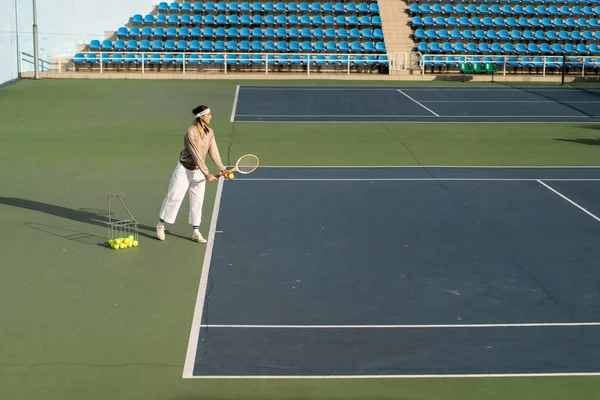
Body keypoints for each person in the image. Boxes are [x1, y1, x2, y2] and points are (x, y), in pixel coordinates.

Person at [156, 105, 230, 243]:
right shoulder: (190, 132)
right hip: (184, 169)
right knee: (174, 197)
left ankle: (195, 232)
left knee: (198, 201)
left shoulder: (210, 132)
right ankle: (161, 224)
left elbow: (213, 152)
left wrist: (222, 169)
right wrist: (207, 174)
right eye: (208, 114)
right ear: (201, 116)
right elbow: (196, 155)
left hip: (199, 172)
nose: (211, 116)